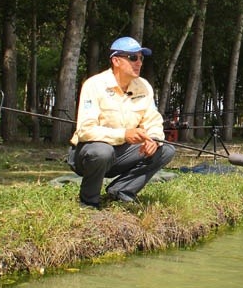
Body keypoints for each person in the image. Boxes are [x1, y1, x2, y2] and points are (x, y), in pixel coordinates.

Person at [67, 37, 176, 207]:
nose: (138, 62)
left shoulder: (144, 86)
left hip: (122, 154)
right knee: (102, 151)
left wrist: (153, 139)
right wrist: (124, 134)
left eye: (141, 58)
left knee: (166, 149)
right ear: (116, 61)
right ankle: (89, 202)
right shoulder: (94, 85)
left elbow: (153, 120)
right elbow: (86, 130)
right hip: (89, 153)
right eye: (133, 58)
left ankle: (120, 191)